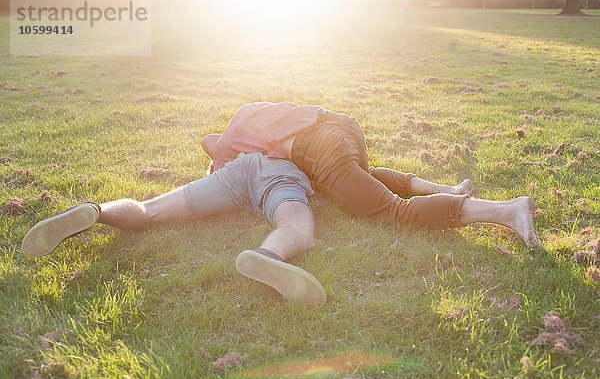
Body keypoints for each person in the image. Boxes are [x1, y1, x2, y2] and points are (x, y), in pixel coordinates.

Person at [202, 102, 541, 249]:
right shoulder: (247, 113)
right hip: (342, 129)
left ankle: (506, 210)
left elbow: (227, 185)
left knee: (393, 212)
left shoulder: (227, 150)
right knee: (366, 178)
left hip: (319, 152)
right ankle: (445, 189)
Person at [21, 153, 327, 305]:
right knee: (296, 227)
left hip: (237, 169)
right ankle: (268, 254)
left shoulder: (249, 122)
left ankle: (95, 211)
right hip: (281, 176)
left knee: (147, 211)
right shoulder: (311, 139)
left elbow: (210, 141)